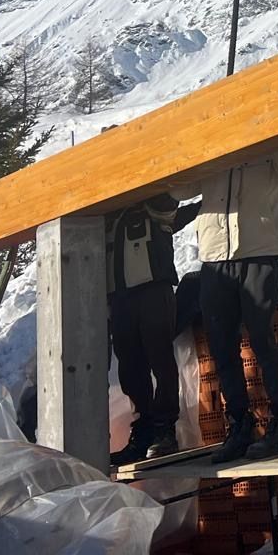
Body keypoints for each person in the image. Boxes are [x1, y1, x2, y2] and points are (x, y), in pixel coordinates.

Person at [175, 142, 278, 462]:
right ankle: (239, 425)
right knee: (222, 346)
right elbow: (182, 189)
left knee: (262, 339)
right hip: (215, 257)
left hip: (258, 249)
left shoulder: (276, 140)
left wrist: (265, 126)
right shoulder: (213, 144)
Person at [106, 191, 197, 465]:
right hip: (119, 297)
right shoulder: (108, 214)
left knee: (161, 360)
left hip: (154, 290)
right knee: (130, 366)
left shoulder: (156, 203)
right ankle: (144, 426)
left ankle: (165, 429)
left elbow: (171, 206)